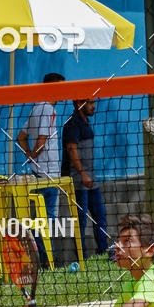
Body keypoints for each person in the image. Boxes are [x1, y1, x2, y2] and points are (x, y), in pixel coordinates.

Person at [17, 72, 65, 266]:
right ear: (52, 88)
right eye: (62, 87)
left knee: (39, 219)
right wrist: (33, 155)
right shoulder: (46, 108)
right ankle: (47, 261)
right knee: (49, 220)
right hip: (49, 174)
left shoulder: (36, 108)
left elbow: (20, 137)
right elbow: (42, 141)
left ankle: (41, 258)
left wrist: (30, 156)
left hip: (38, 173)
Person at [62, 98, 108, 257]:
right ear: (78, 104)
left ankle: (103, 251)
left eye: (93, 102)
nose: (93, 106)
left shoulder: (85, 121)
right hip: (78, 180)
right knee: (80, 221)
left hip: (91, 179)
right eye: (89, 102)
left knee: (100, 216)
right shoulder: (72, 123)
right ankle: (82, 257)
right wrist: (82, 174)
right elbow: (71, 149)